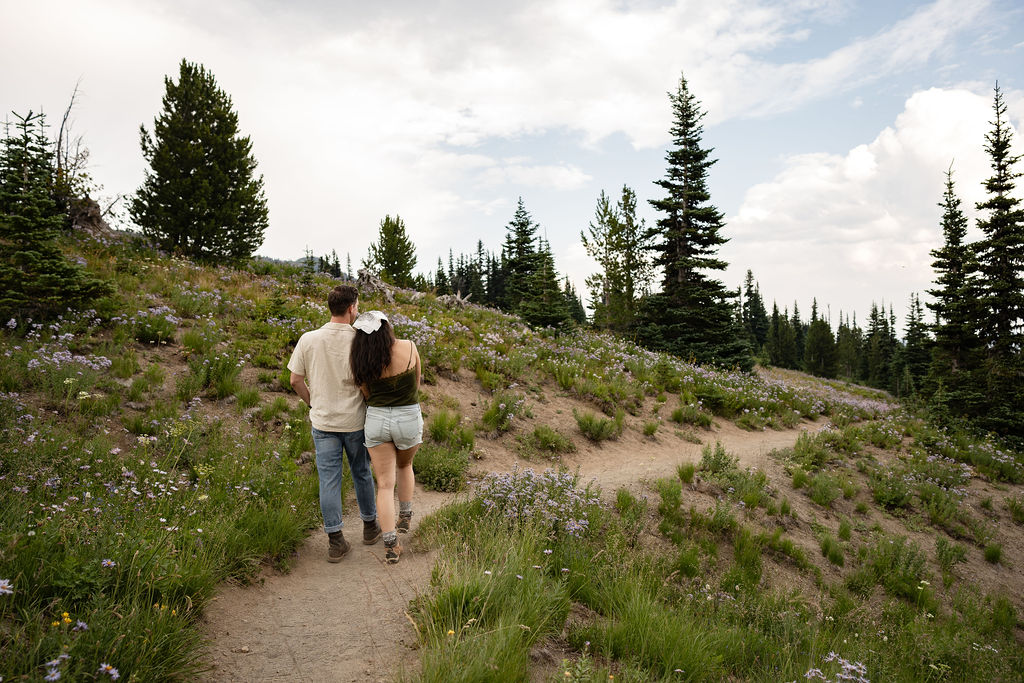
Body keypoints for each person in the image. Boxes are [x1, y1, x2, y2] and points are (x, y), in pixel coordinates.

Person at [288, 285, 382, 563]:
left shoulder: (309, 339)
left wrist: (311, 403)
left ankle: (336, 540)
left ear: (331, 307)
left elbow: (295, 380)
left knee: (328, 480)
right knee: (361, 472)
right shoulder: (360, 339)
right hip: (354, 421)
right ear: (352, 308)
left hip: (323, 421)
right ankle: (369, 527)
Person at [350, 310, 422, 564]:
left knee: (383, 484)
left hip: (377, 420)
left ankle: (391, 544)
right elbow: (417, 383)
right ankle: (406, 516)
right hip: (408, 416)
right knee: (406, 464)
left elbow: (366, 394)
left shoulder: (360, 358)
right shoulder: (409, 347)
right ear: (386, 327)